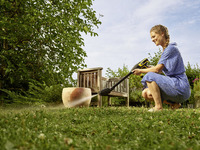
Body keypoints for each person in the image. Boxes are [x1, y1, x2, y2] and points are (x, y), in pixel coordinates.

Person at [133, 24, 191, 112]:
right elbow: (159, 70)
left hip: (181, 86)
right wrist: (150, 67)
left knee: (149, 76)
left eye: (154, 36)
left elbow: (157, 70)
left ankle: (158, 107)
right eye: (151, 38)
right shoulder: (165, 50)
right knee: (146, 93)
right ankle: (174, 104)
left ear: (162, 34)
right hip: (174, 86)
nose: (152, 40)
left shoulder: (171, 49)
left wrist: (140, 70)